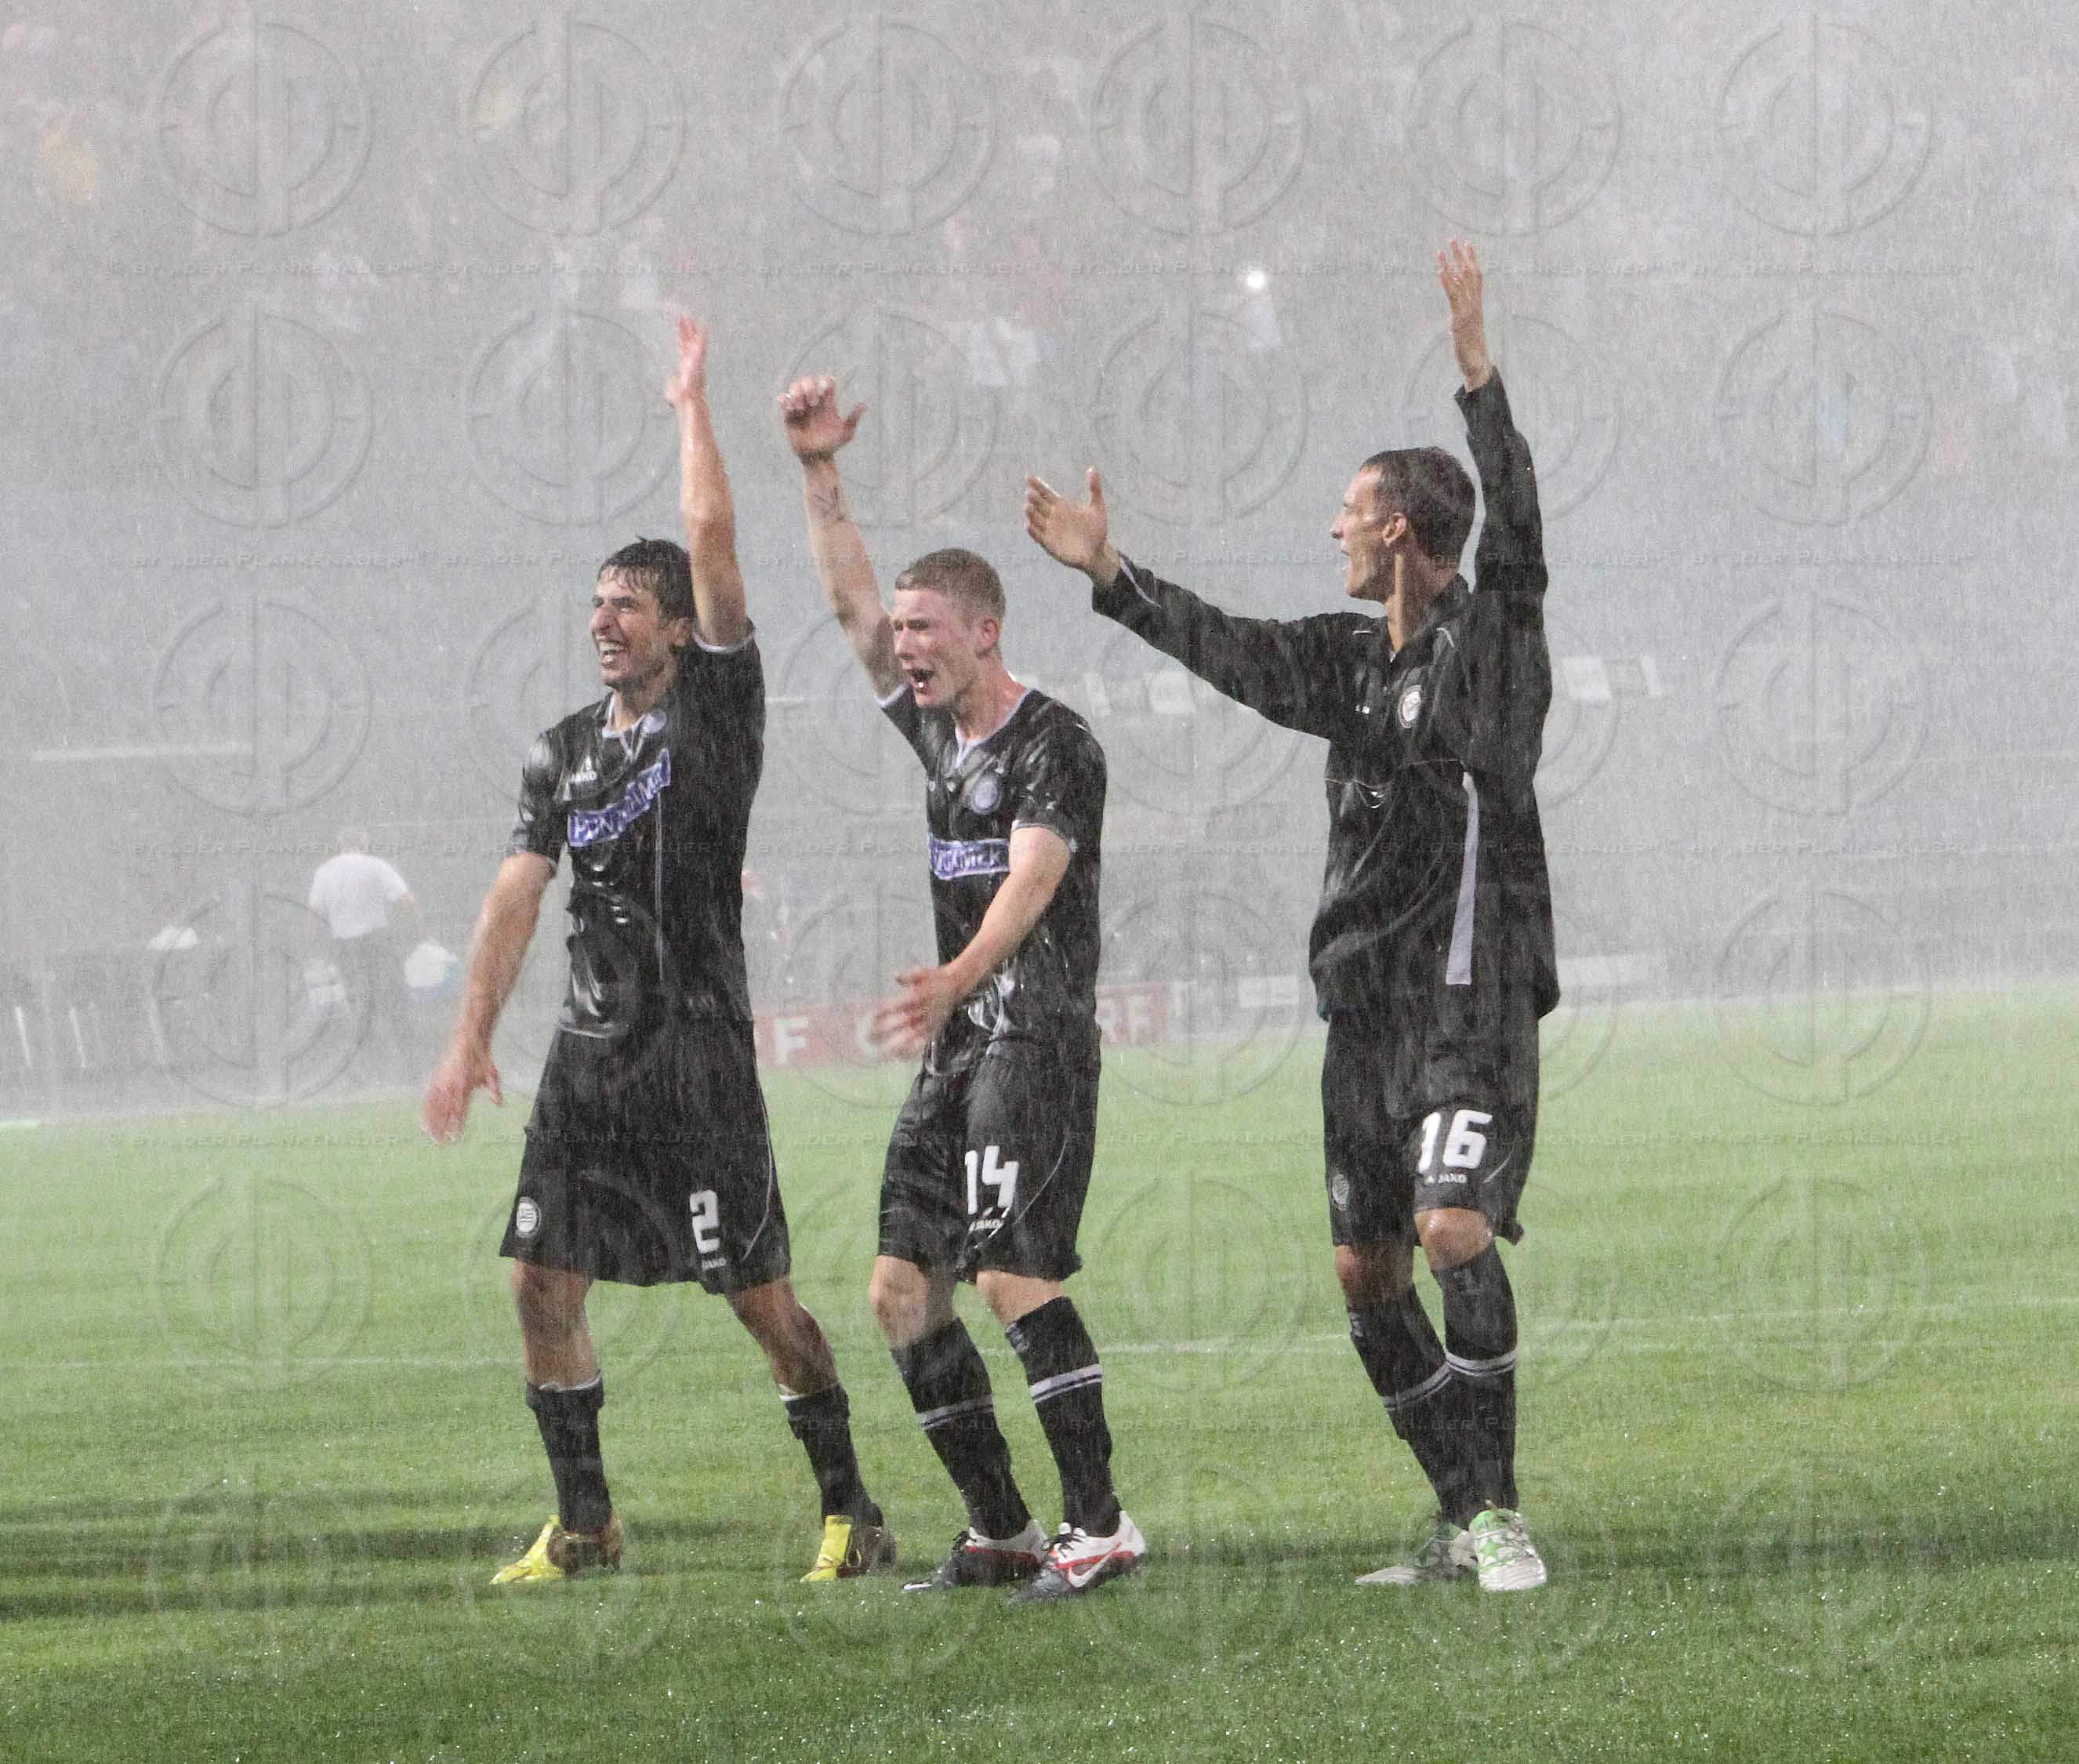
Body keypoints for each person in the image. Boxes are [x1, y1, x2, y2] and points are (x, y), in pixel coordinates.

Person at [1024, 242, 1555, 1592]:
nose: (1330, 525)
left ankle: (1502, 1516)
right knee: (1365, 1275)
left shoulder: (1489, 642)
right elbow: (1233, 649)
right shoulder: (1343, 658)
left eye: (1347, 508)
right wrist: (1113, 573)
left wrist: (1475, 369)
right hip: (1362, 1015)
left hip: (1467, 996)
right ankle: (1452, 1516)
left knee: (1449, 1229)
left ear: (1398, 528)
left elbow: (1521, 533)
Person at [423, 318, 892, 1588]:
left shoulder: (716, 711)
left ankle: (852, 1507)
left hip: (696, 1054)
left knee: (759, 1303)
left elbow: (719, 547)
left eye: (626, 606)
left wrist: (692, 406)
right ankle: (586, 1524)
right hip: (590, 1060)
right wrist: (469, 1040)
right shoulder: (563, 749)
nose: (603, 624)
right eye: (594, 607)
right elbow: (518, 894)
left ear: (680, 629)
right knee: (538, 1284)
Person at [779, 372, 1143, 1602]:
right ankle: (1000, 1526)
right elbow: (843, 604)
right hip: (958, 1045)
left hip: (1029, 1035)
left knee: (1008, 1272)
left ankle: (1100, 1521)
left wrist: (959, 977)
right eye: (903, 631)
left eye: (926, 628)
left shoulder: (1058, 742)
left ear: (986, 628)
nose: (905, 647)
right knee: (897, 1291)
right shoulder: (938, 734)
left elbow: (1034, 880)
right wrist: (819, 473)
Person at [307, 829, 423, 1080]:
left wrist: (314, 947)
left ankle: (371, 1068)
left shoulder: (325, 871)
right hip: (377, 941)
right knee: (394, 1001)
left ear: (340, 845)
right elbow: (406, 900)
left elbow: (315, 912)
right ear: (364, 844)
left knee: (358, 1005)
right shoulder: (376, 866)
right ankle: (411, 1068)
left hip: (344, 946)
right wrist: (419, 932)